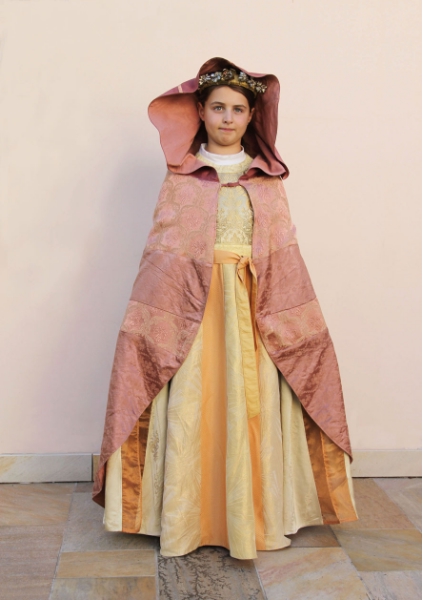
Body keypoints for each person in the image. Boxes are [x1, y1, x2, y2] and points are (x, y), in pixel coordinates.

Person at [92, 57, 358, 560]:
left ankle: (255, 514)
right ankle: (186, 515)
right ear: (200, 111)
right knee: (196, 407)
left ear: (252, 115)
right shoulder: (181, 177)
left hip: (255, 311)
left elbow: (282, 254)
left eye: (238, 109)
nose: (228, 118)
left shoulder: (267, 180)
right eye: (218, 108)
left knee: (252, 407)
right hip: (192, 315)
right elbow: (164, 254)